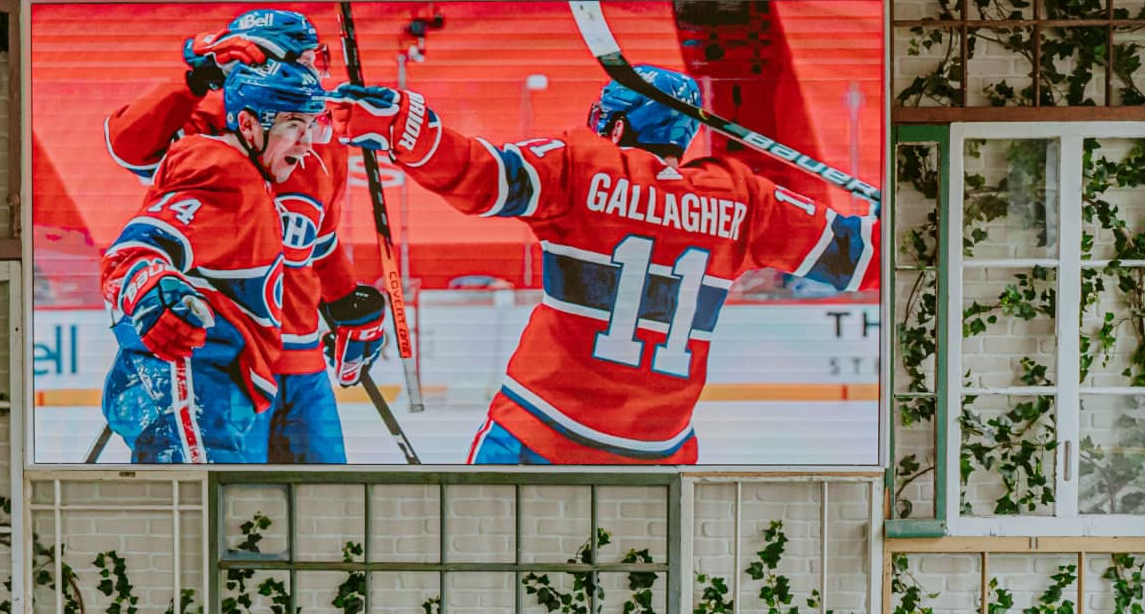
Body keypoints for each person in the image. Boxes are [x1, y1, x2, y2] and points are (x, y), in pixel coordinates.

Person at [329, 65, 878, 464]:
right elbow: (855, 257)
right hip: (658, 452)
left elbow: (482, 176)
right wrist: (899, 216)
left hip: (541, 433)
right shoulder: (741, 197)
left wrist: (407, 127)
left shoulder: (581, 166)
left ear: (616, 127)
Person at [102, 9, 385, 463]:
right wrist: (197, 79)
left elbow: (320, 243)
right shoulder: (210, 133)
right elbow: (126, 145)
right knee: (232, 501)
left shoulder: (314, 138)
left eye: (320, 57)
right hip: (227, 358)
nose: (319, 71)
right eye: (308, 58)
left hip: (301, 362)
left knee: (327, 501)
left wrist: (346, 303)